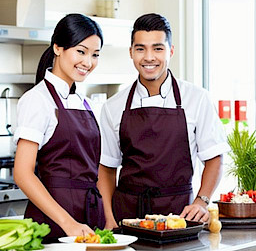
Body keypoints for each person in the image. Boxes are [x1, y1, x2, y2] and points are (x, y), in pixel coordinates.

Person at [97, 13, 230, 229]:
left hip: (180, 216)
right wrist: (108, 219)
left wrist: (202, 201)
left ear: (171, 51)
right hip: (129, 218)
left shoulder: (197, 98)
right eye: (141, 49)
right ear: (131, 52)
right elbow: (107, 168)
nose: (149, 57)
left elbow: (214, 158)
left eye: (158, 48)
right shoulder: (113, 107)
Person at [13, 13, 105, 241]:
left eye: (95, 55)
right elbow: (23, 174)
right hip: (53, 221)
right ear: (57, 47)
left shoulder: (86, 103)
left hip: (89, 217)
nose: (88, 62)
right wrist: (68, 223)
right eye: (81, 51)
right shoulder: (37, 100)